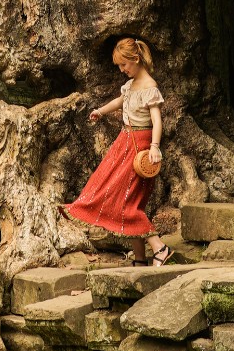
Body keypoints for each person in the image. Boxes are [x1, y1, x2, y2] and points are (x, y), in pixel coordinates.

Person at [63, 37, 171, 265]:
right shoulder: (130, 86)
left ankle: (160, 248)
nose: (122, 70)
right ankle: (140, 259)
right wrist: (100, 111)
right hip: (125, 141)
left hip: (140, 147)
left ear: (136, 59)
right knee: (130, 202)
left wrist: (154, 147)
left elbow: (157, 121)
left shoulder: (150, 87)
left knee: (127, 204)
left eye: (124, 65)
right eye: (119, 66)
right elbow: (120, 101)